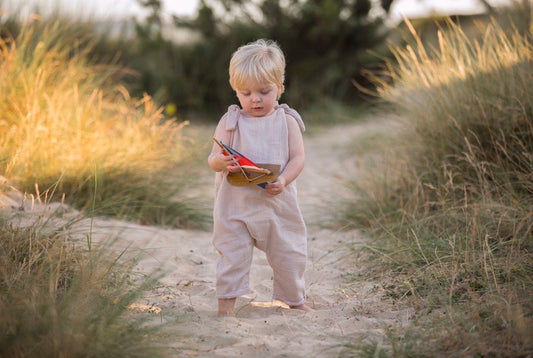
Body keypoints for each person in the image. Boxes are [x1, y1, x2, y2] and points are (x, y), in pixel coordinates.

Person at [207, 39, 314, 316]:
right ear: (236, 91)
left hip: (276, 204)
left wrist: (285, 180)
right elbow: (212, 159)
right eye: (246, 92)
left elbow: (298, 158)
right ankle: (226, 304)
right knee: (232, 254)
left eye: (264, 91)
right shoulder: (230, 121)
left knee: (289, 251)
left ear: (280, 86)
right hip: (235, 206)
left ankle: (294, 298)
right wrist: (221, 162)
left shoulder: (286, 121)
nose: (255, 98)